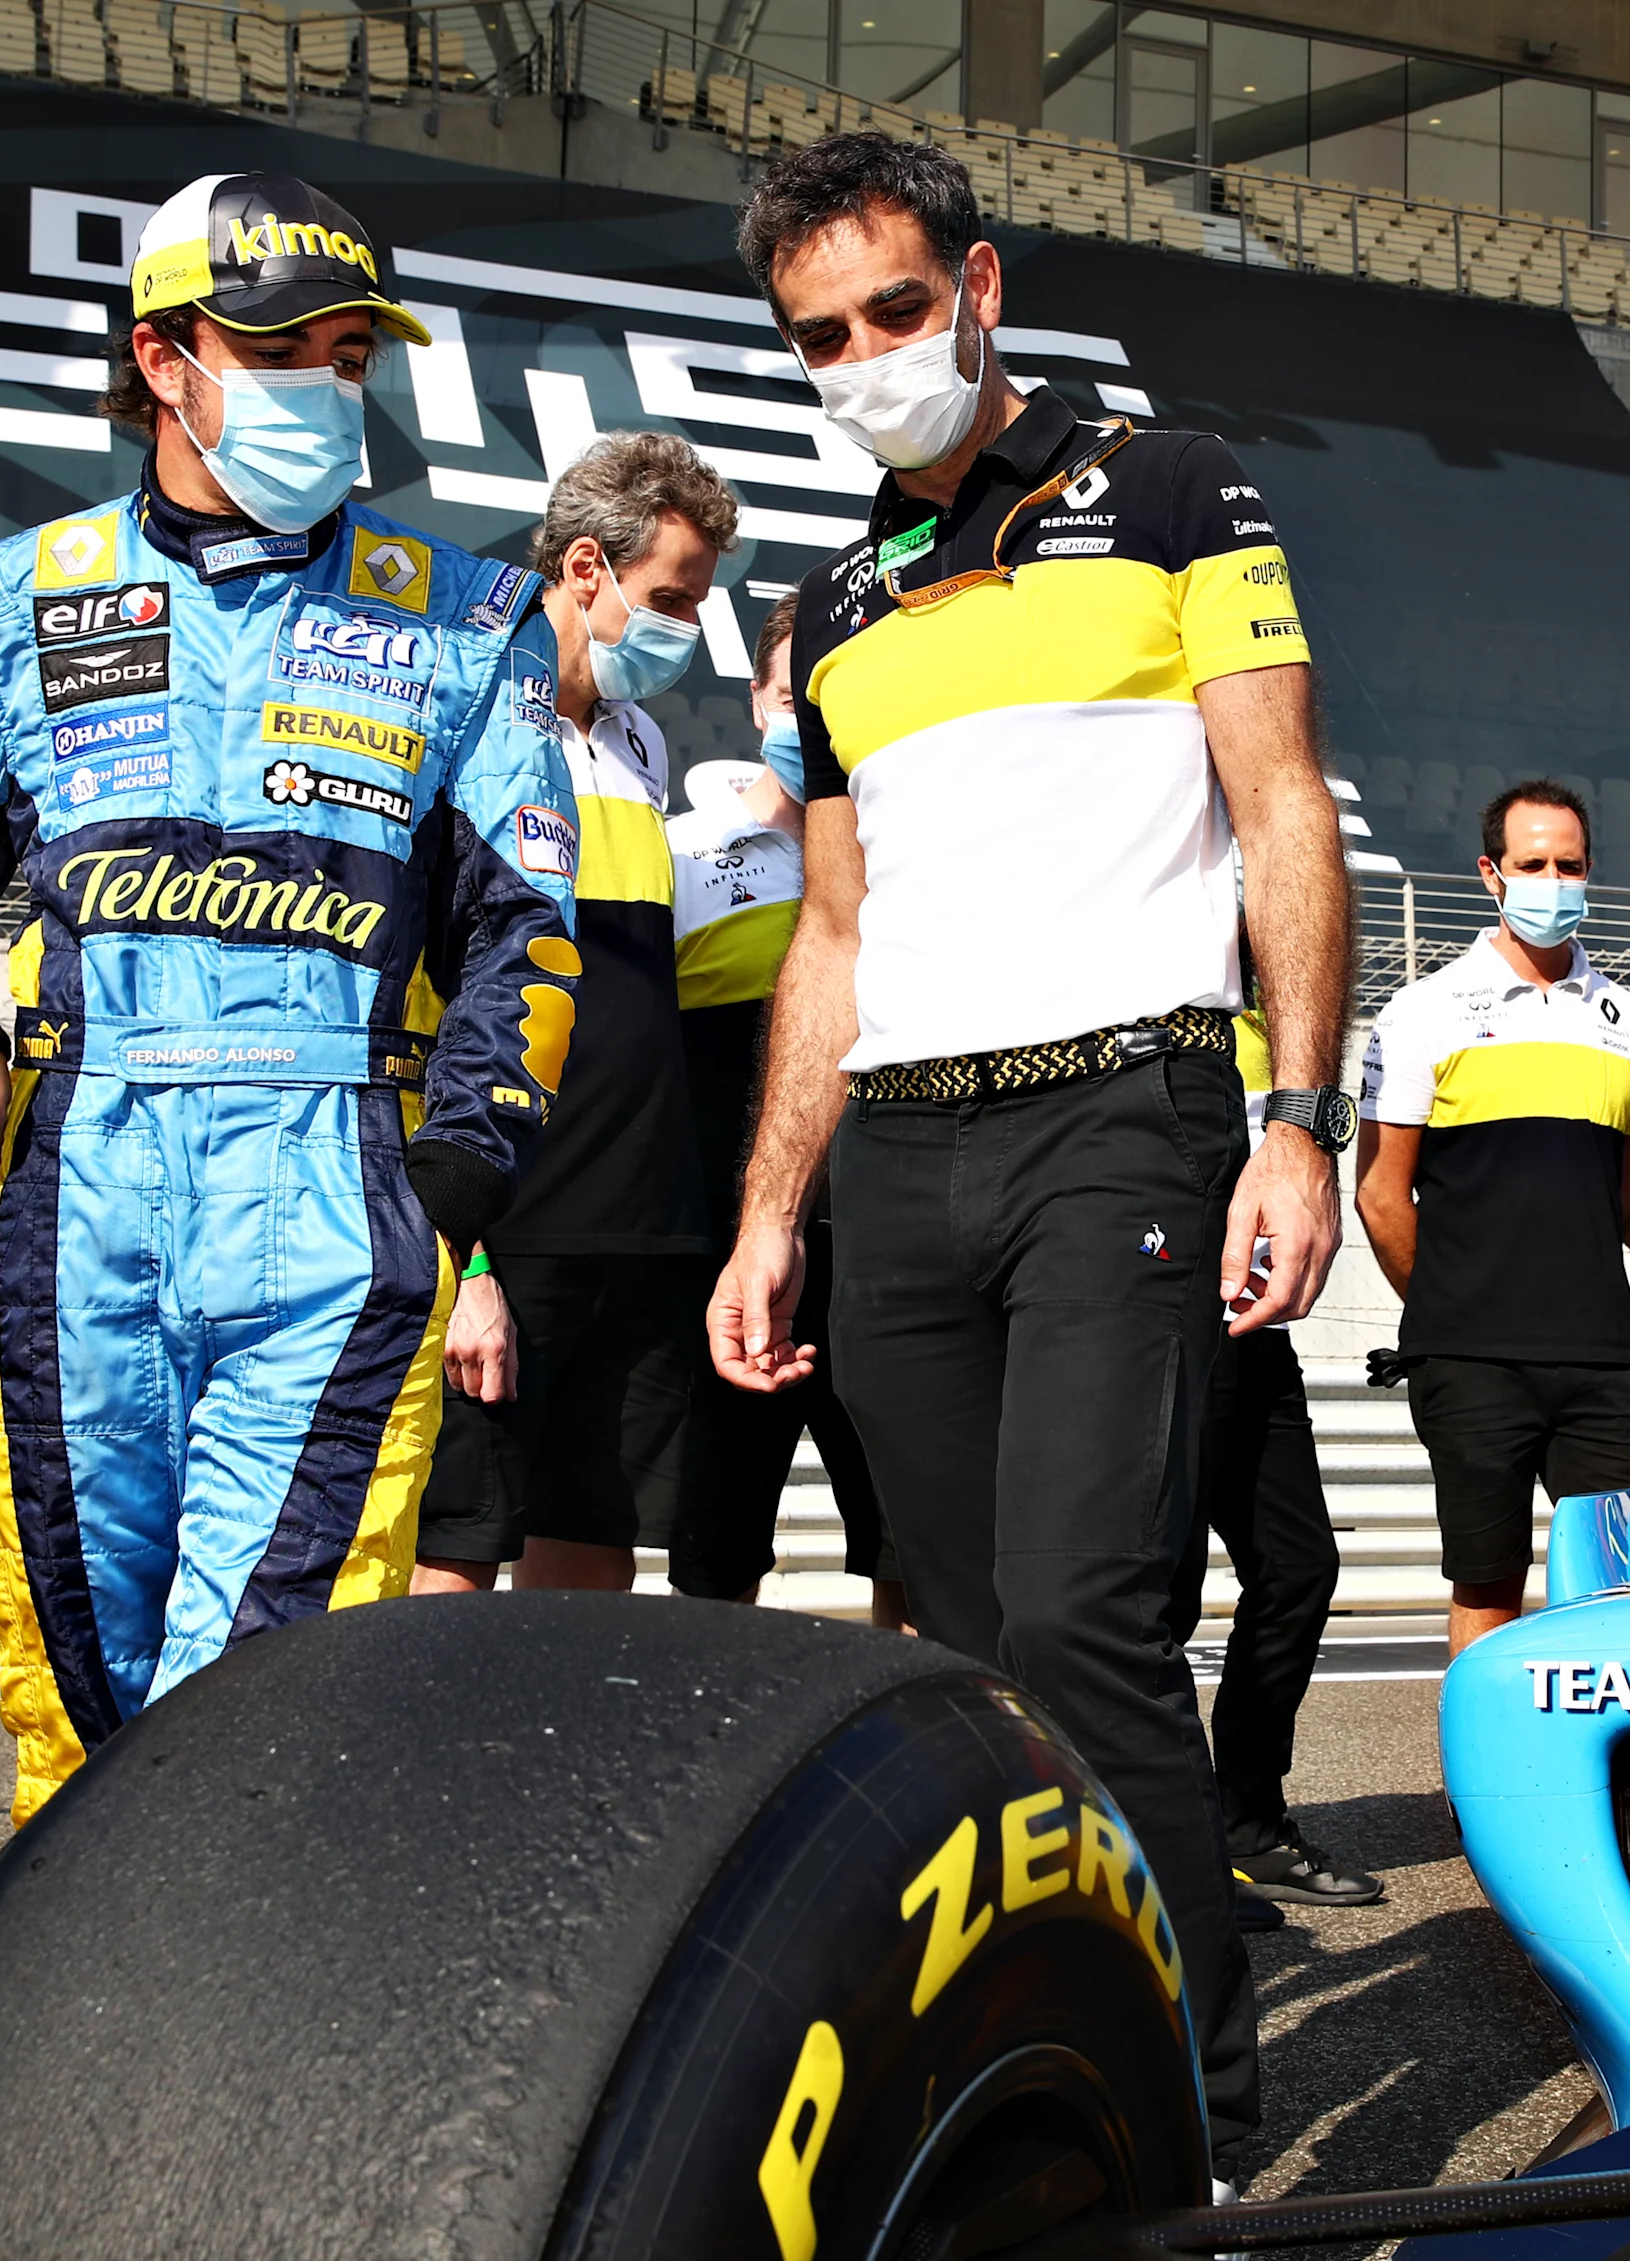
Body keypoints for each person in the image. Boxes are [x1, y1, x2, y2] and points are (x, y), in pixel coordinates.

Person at [705, 132, 1352, 2175]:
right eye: (823, 336)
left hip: (1126, 1109)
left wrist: (1299, 1116)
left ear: (976, 283)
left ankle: (1196, 2131)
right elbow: (831, 931)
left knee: (1088, 1617)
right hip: (900, 1150)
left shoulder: (1173, 485)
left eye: (895, 309)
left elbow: (1282, 808)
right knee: (974, 1661)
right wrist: (766, 1210)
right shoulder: (828, 602)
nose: (867, 355)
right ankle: (1028, 2082)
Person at [0, 171, 578, 1823]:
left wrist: (446, 1191)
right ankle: (60, 2053)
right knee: (73, 1690)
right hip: (73, 1181)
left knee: (261, 1695)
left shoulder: (473, 618)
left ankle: (237, 2050)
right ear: (165, 357)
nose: (324, 386)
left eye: (345, 354)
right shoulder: (10, 594)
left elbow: (527, 937)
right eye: (279, 349)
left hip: (336, 1187)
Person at [411, 435, 731, 1598]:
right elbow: (425, 999)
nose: (686, 629)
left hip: (639, 1228)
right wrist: (469, 1257)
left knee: (595, 1560)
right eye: (670, 599)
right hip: (510, 1222)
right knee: (454, 1548)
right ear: (585, 566)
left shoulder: (640, 741)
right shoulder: (458, 722)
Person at [1357, 780, 1630, 1657]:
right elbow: (1381, 1196)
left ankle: (1616, 1789)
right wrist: (1456, 1308)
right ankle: (1474, 1796)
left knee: (1620, 1584)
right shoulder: (1422, 1010)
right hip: (1472, 1362)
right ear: (1491, 873)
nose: (1553, 880)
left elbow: (1623, 1198)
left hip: (1602, 1363)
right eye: (1532, 863)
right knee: (1486, 1581)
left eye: (1569, 864)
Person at [669, 592, 896, 1620]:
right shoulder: (681, 850)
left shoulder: (918, 863)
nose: (808, 712)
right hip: (732, 1246)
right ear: (760, 694)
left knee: (910, 1544)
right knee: (711, 1552)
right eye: (789, 688)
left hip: (891, 1244)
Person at [1165, 994, 1384, 1927]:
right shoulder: (1150, 992)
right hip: (1153, 1327)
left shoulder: (1274, 1019)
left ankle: (1246, 1826)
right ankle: (1161, 1859)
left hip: (1253, 1334)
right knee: (1152, 1601)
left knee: (1298, 1567)